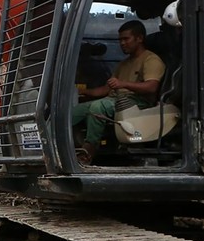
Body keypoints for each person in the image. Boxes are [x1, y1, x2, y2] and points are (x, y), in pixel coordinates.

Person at [71, 20, 165, 165]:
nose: (122, 43)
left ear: (139, 38)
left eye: (126, 39)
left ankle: (89, 150)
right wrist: (80, 91)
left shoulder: (151, 60)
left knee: (98, 107)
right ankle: (69, 147)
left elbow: (151, 87)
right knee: (75, 112)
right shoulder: (123, 64)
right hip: (115, 101)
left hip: (138, 103)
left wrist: (123, 84)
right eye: (120, 40)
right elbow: (105, 89)